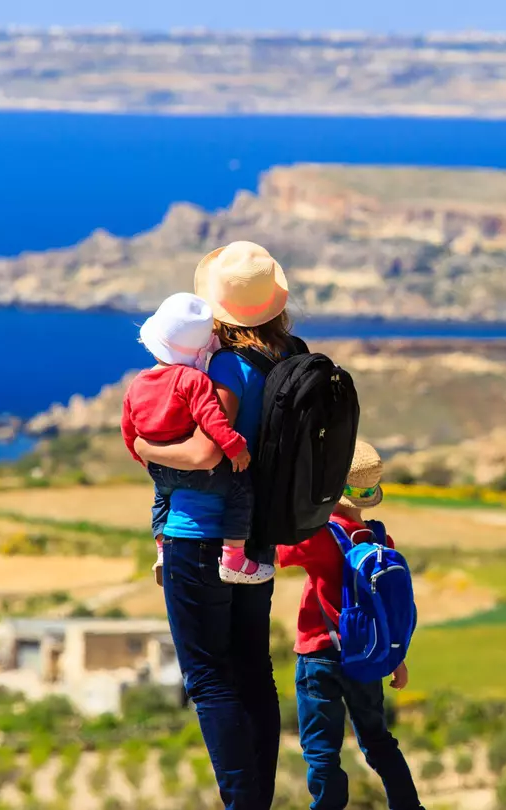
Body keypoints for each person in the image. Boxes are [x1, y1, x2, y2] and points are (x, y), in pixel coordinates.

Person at [131, 241, 291, 810]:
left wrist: (146, 445)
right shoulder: (284, 358)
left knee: (208, 680)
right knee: (254, 672)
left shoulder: (225, 366)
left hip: (199, 538)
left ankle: (242, 803)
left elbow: (205, 452)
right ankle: (259, 799)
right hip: (254, 538)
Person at [278, 441, 425, 810]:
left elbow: (276, 553)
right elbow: (387, 608)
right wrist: (396, 659)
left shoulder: (319, 535)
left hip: (318, 655)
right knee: (378, 741)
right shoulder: (380, 539)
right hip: (368, 657)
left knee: (321, 750)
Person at [121, 291, 272, 587]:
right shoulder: (194, 380)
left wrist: (141, 455)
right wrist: (234, 445)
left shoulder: (138, 382)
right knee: (240, 489)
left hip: (159, 468)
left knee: (161, 499)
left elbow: (129, 428)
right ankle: (233, 558)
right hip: (196, 471)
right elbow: (211, 418)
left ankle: (163, 549)